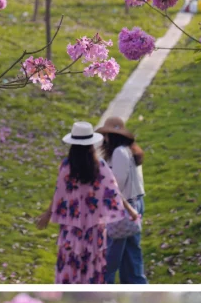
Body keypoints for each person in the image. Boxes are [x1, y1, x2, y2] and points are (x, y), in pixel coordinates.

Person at [35, 122, 139, 284]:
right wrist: (130, 209)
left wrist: (47, 215)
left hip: (71, 229)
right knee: (92, 267)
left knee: (70, 265)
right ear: (91, 144)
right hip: (94, 229)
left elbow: (59, 194)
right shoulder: (100, 166)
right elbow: (113, 190)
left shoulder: (66, 166)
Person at [100, 114, 147, 285]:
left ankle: (104, 284)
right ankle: (136, 283)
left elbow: (116, 183)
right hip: (135, 203)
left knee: (111, 254)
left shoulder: (119, 152)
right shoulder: (129, 150)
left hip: (124, 207)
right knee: (131, 254)